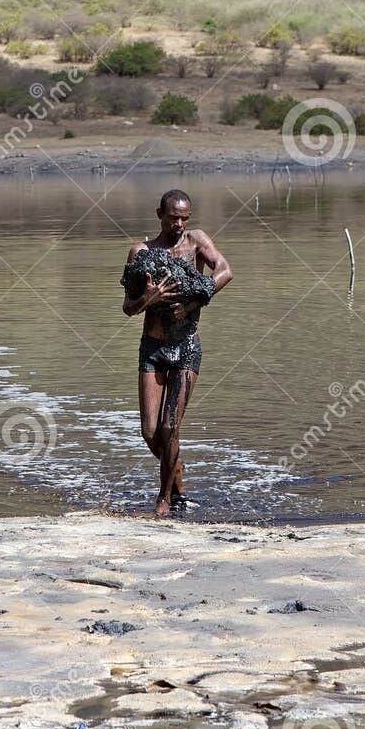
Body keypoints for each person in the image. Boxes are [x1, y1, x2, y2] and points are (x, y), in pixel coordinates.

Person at [121, 190, 234, 516]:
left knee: (171, 428)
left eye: (185, 218)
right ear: (160, 214)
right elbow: (128, 308)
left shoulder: (196, 241)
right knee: (151, 432)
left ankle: (164, 501)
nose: (180, 224)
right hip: (153, 349)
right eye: (173, 218)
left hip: (186, 349)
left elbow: (225, 270)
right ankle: (176, 470)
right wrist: (149, 299)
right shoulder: (141, 252)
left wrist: (194, 301)